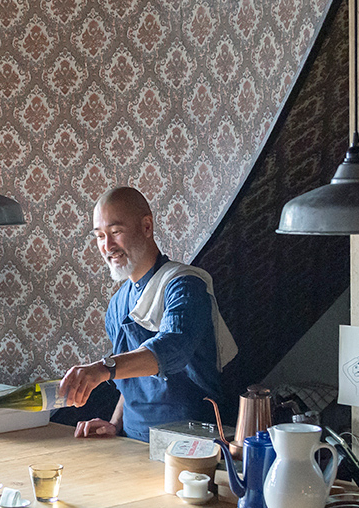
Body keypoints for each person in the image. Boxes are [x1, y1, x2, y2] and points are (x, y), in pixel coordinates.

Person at [58, 187, 238, 441]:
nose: (107, 246)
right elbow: (131, 378)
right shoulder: (118, 304)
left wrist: (103, 368)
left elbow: (172, 349)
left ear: (146, 227)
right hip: (132, 440)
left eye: (116, 232)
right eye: (100, 236)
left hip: (190, 440)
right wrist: (114, 423)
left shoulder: (184, 285)